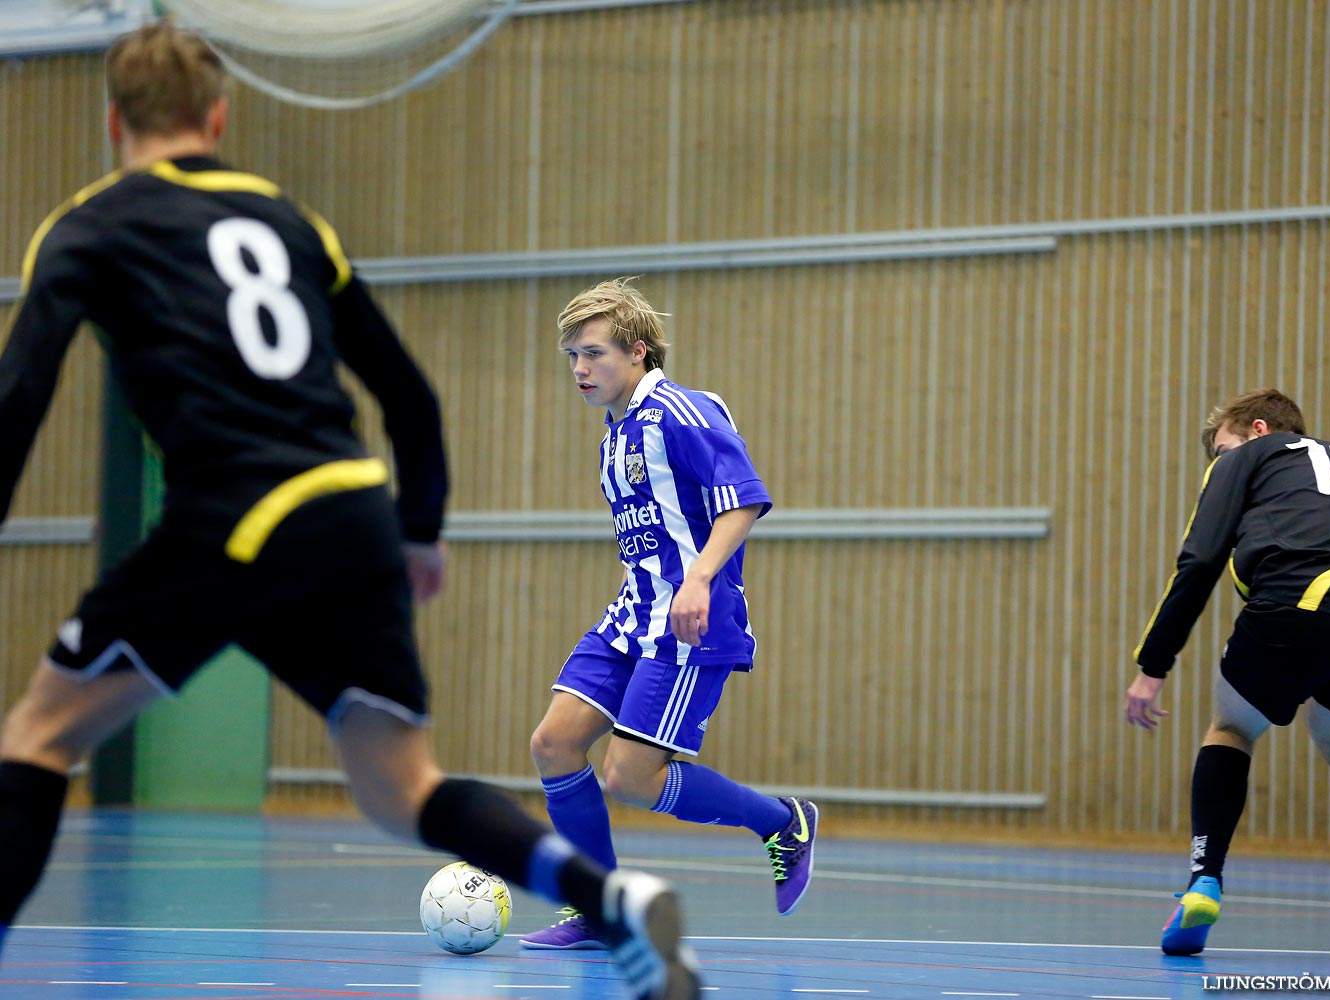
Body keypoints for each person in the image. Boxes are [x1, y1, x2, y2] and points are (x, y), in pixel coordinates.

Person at [0, 21, 698, 1000]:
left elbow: (19, 396)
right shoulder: (291, 220)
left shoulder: (86, 225)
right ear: (217, 116)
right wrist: (420, 528)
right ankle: (608, 895)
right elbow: (408, 396)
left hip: (230, 514)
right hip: (351, 511)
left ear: (115, 120)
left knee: (36, 736)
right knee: (401, 786)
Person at [519, 278, 817, 950]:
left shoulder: (682, 411)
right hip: (632, 615)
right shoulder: (616, 432)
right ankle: (598, 909)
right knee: (554, 743)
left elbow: (742, 500)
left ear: (639, 352)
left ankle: (781, 822)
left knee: (629, 777)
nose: (579, 368)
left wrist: (701, 579)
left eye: (592, 353)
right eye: (571, 356)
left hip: (689, 623)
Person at [1125, 388, 1330, 956]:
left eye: (1220, 450)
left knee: (1231, 727)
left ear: (1256, 430)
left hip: (1292, 607)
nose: (1217, 464)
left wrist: (1152, 666)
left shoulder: (1251, 457)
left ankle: (1203, 882)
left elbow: (1200, 559)